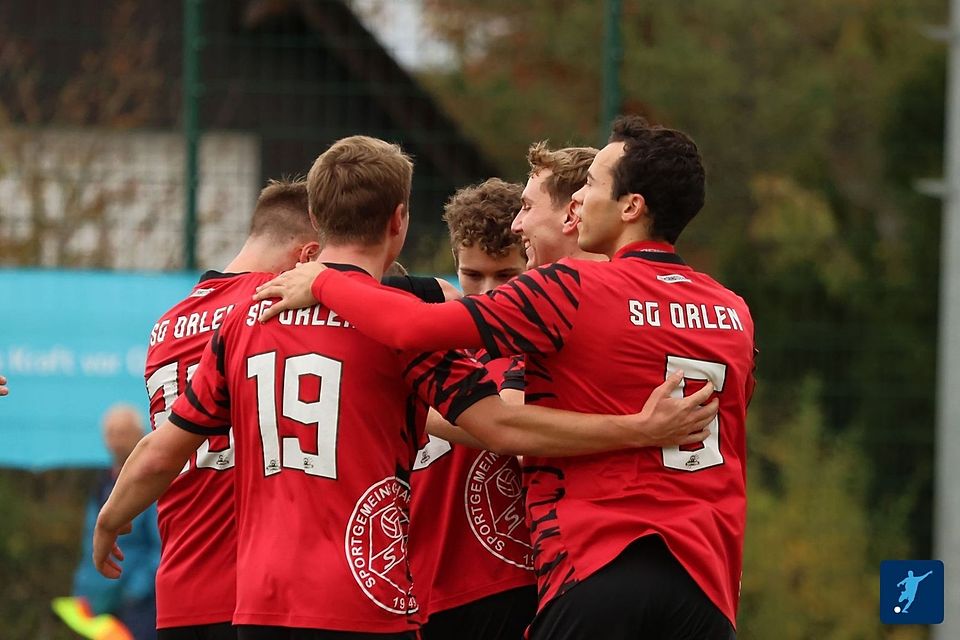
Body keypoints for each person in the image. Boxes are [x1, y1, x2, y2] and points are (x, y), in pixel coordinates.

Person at [94, 135, 718, 640]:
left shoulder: (243, 321)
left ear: (318, 220)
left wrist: (109, 520)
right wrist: (637, 429)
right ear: (400, 221)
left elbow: (160, 451)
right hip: (365, 596)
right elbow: (501, 425)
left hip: (257, 604)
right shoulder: (401, 330)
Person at [253, 116, 756, 639]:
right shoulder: (733, 311)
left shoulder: (571, 288)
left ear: (631, 207)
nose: (578, 199)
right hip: (705, 580)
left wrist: (326, 282)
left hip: (598, 560)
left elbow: (412, 328)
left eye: (591, 184)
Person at [144, 179, 320, 639]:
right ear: (307, 257)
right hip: (259, 593)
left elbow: (160, 451)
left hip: (180, 589)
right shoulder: (274, 308)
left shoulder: (166, 324)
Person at [410, 178, 535, 640]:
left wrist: (411, 402)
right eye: (472, 275)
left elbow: (516, 426)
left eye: (505, 276)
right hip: (416, 586)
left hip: (506, 582)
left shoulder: (540, 349)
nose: (486, 293)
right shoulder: (434, 339)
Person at [73, 404, 160, 640]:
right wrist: (82, 589)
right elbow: (89, 543)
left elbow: (161, 546)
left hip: (138, 608)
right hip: (97, 606)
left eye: (122, 433)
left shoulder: (152, 483)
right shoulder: (102, 483)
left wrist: (135, 593)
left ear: (140, 435)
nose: (115, 441)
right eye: (110, 433)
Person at [512, 143, 605, 269]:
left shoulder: (543, 281)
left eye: (527, 207)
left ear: (571, 215)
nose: (515, 226)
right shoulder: (629, 276)